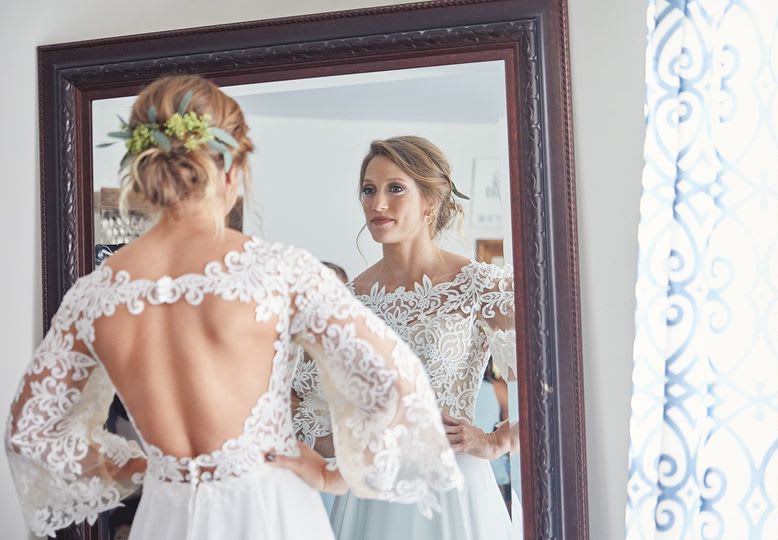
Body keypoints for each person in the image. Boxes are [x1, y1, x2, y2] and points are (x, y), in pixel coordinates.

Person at [5, 77, 462, 540]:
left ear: (144, 172)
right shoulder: (278, 272)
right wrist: (332, 475)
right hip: (267, 511)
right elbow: (398, 386)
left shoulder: (94, 295)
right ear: (232, 168)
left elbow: (31, 432)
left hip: (165, 517)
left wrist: (142, 465)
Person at [292, 136, 519, 539]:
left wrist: (496, 441)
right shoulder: (348, 300)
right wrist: (347, 443)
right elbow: (302, 399)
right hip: (371, 496)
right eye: (369, 190)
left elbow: (549, 389)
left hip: (453, 489)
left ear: (430, 200)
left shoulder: (479, 286)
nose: (378, 204)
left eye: (395, 188)